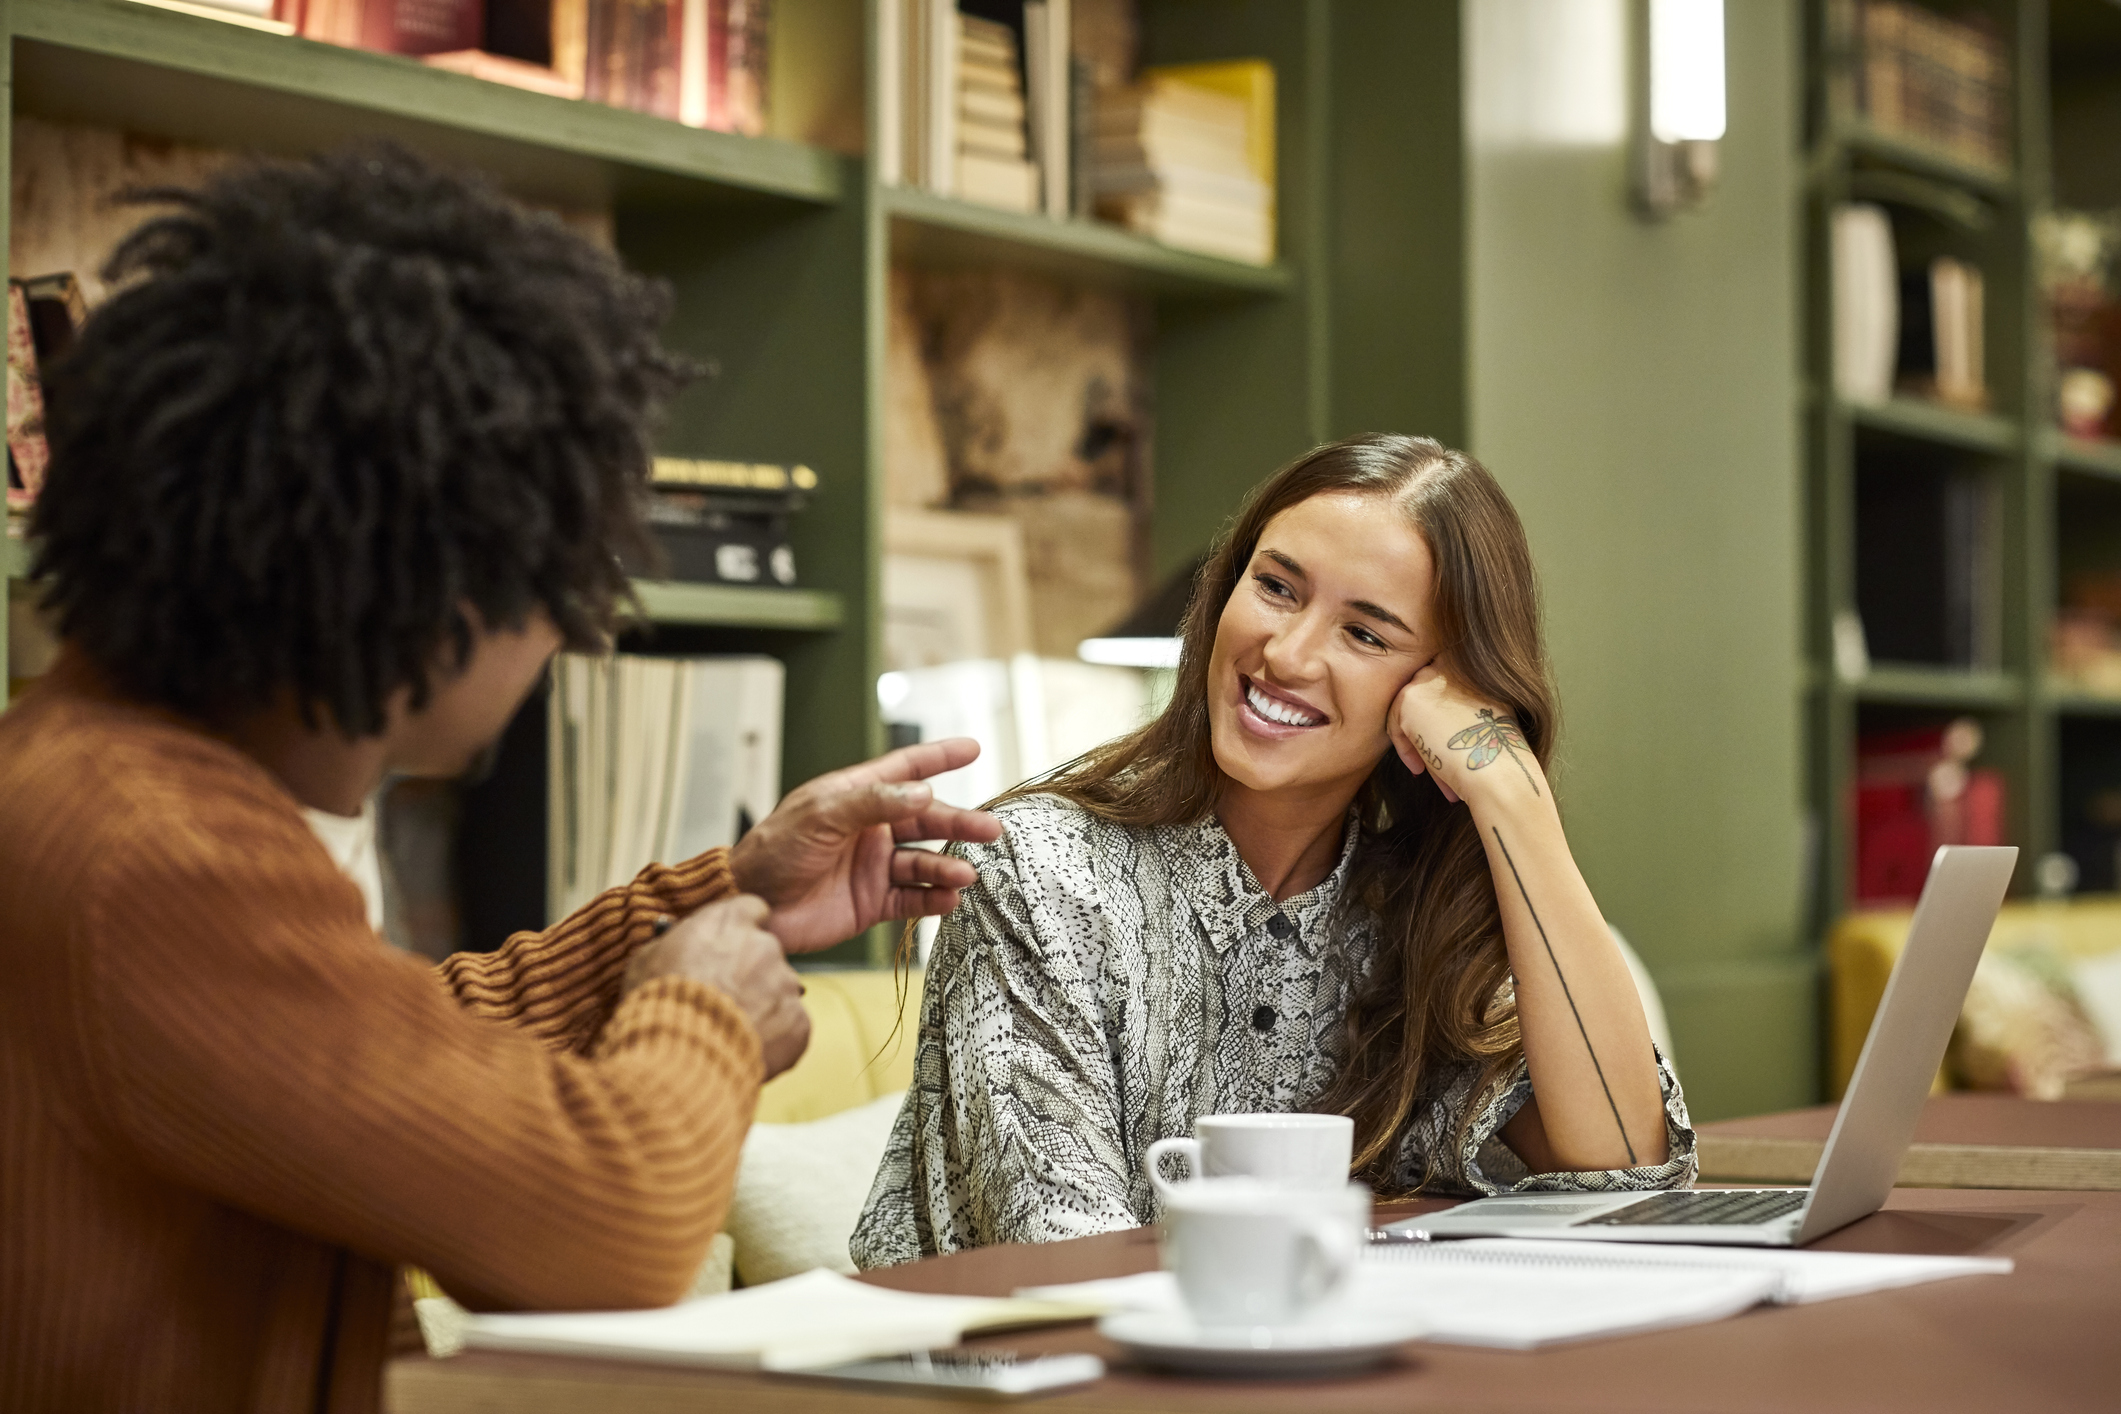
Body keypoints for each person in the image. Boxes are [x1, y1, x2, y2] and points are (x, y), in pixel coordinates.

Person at [0, 145, 998, 1412]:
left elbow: (403, 1063)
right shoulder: (148, 851)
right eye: (558, 577)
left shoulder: (111, 782)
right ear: (440, 593)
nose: (576, 633)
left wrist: (717, 897)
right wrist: (708, 1021)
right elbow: (610, 1238)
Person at [852, 434, 1698, 1267]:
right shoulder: (1038, 873)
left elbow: (1628, 1175)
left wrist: (1511, 798)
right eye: (1277, 587)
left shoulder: (1419, 917)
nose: (1286, 655)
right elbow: (1061, 1258)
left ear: (1440, 689)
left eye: (1365, 635)